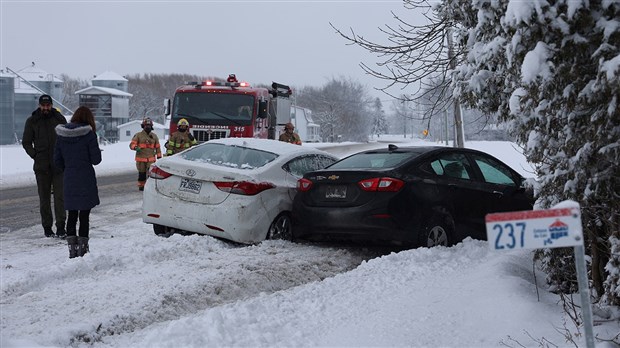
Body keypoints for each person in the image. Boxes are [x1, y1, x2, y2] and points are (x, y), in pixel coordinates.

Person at [54, 106, 102, 258]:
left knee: (72, 214)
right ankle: (83, 248)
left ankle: (72, 250)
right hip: (85, 178)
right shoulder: (89, 134)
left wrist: (69, 167)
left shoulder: (61, 135)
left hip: (69, 178)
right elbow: (96, 160)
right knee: (84, 215)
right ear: (89, 119)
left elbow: (57, 161)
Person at [22, 94, 67, 238]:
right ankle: (47, 228)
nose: (46, 108)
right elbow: (26, 142)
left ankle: (61, 227)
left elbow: (66, 138)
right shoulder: (32, 121)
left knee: (60, 198)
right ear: (39, 105)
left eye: (48, 105)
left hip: (58, 166)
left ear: (51, 105)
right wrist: (35, 155)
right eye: (43, 105)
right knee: (44, 199)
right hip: (41, 167)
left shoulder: (59, 119)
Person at [130, 118, 162, 191]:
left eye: (149, 126)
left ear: (151, 126)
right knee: (142, 174)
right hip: (141, 159)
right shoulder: (138, 135)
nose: (148, 127)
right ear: (143, 126)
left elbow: (157, 147)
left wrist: (159, 156)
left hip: (151, 159)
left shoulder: (154, 136)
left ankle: (150, 187)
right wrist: (135, 147)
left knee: (151, 175)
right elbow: (132, 144)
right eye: (146, 126)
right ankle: (141, 186)